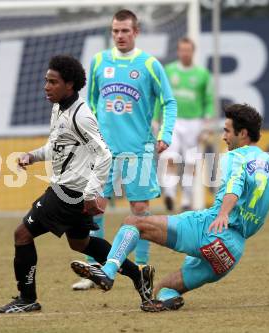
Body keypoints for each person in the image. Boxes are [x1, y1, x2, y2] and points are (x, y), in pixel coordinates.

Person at [70, 103, 269, 311]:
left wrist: (223, 213)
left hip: (210, 228)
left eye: (227, 131)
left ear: (243, 134)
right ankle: (170, 297)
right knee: (161, 290)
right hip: (232, 253)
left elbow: (234, 185)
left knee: (134, 223)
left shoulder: (235, 157)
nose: (223, 137)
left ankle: (108, 273)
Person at [0, 54, 154, 313]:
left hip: (67, 192)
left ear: (69, 84)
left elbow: (104, 153)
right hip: (70, 191)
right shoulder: (59, 108)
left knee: (22, 235)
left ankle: (27, 298)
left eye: (53, 82)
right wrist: (32, 156)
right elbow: (57, 145)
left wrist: (92, 194)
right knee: (80, 244)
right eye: (46, 81)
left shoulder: (81, 116)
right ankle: (138, 275)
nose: (46, 86)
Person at [71, 9, 177, 290]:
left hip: (139, 149)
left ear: (136, 32)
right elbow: (91, 104)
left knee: (140, 208)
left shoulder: (150, 64)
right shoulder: (98, 62)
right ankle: (93, 269)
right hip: (104, 151)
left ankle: (141, 267)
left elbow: (169, 102)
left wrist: (165, 134)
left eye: (125, 31)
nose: (120, 36)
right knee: (93, 207)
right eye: (116, 31)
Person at [158, 37, 214, 212]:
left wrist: (207, 122)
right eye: (182, 50)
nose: (185, 53)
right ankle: (170, 193)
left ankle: (186, 200)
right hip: (173, 121)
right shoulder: (168, 70)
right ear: (178, 51)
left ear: (193, 52)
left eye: (188, 50)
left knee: (191, 163)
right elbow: (159, 95)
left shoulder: (202, 74)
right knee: (170, 157)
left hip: (194, 122)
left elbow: (209, 100)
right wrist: (155, 118)